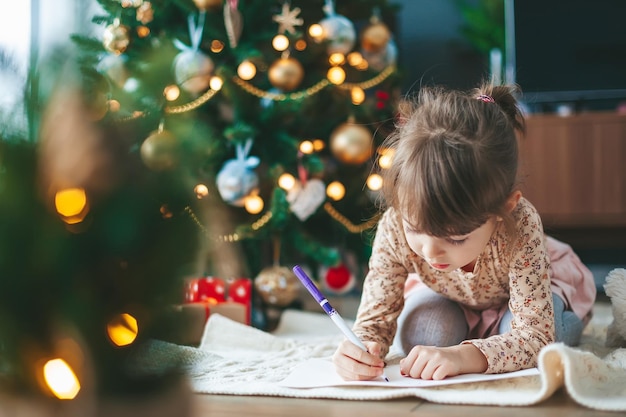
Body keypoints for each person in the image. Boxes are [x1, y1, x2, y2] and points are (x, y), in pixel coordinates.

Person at [332, 82, 597, 381]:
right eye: (415, 228)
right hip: (452, 295)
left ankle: (492, 333)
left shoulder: (521, 225)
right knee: (425, 335)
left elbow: (535, 335)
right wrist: (361, 349)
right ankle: (483, 332)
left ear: (505, 209)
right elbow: (374, 322)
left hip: (530, 290)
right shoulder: (394, 225)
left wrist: (464, 356)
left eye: (456, 237)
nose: (431, 252)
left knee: (549, 342)